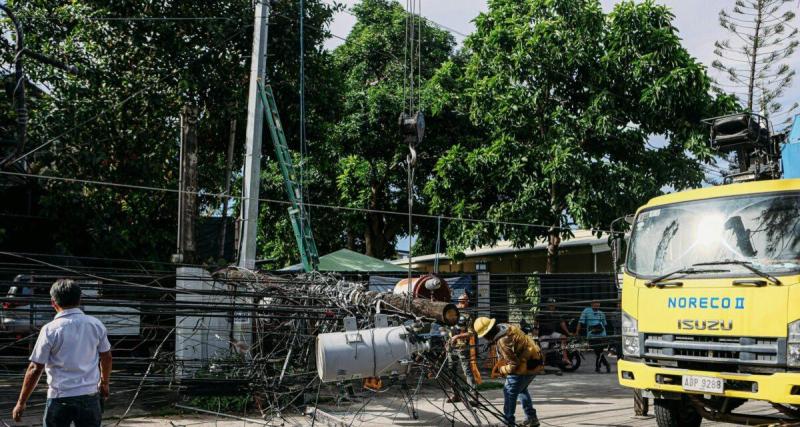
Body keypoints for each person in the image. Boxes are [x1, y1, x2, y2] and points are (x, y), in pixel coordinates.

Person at [12, 279, 113, 426]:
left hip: (59, 397)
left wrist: (21, 402)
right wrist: (104, 383)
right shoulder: (95, 324)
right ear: (79, 300)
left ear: (53, 302)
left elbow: (35, 368)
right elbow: (106, 356)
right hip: (90, 396)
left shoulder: (50, 329)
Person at [474, 316, 543, 427]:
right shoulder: (505, 326)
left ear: (488, 334)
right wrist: (493, 343)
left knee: (509, 391)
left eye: (485, 336)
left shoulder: (502, 342)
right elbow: (512, 342)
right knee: (522, 389)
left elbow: (514, 364)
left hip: (524, 366)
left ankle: (508, 422)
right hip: (536, 361)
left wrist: (502, 370)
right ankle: (532, 418)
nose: (485, 338)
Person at [448, 293, 481, 388]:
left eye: (466, 301)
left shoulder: (468, 316)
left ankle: (473, 392)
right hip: (450, 346)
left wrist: (457, 337)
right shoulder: (451, 312)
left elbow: (471, 333)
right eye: (464, 301)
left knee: (467, 370)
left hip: (462, 347)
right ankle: (454, 392)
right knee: (451, 370)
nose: (467, 303)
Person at [535, 298, 572, 367]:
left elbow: (562, 323)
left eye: (553, 305)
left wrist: (568, 332)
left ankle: (565, 357)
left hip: (551, 333)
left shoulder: (556, 313)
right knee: (544, 349)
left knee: (564, 337)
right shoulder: (543, 312)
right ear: (547, 305)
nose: (552, 306)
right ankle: (541, 366)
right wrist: (535, 329)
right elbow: (536, 321)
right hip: (543, 334)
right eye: (550, 305)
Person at [576, 299, 610, 373]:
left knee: (599, 351)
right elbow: (580, 322)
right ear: (591, 304)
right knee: (598, 351)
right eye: (595, 303)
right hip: (591, 335)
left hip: (602, 334)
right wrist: (577, 332)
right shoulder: (586, 311)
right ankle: (606, 364)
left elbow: (604, 325)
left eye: (598, 303)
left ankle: (598, 367)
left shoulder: (601, 313)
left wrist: (606, 337)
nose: (597, 304)